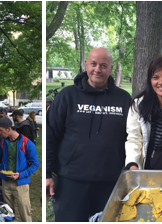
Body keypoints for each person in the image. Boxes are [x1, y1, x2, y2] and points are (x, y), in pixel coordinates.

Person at [46, 47, 133, 221]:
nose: (97, 69)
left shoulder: (123, 99)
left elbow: (132, 138)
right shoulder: (67, 96)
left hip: (110, 182)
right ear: (86, 64)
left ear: (111, 68)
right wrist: (47, 174)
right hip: (71, 181)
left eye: (103, 65)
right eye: (93, 64)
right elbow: (51, 135)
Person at [125, 56, 162, 170]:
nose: (161, 82)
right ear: (150, 80)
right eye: (156, 77)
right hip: (144, 162)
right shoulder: (138, 105)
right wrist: (133, 163)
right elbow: (134, 138)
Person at [0, 117, 39, 222]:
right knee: (7, 213)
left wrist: (20, 175)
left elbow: (35, 165)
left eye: (0, 130)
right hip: (6, 181)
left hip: (21, 183)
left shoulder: (27, 143)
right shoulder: (1, 141)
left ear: (9, 129)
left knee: (24, 212)